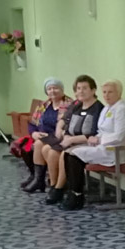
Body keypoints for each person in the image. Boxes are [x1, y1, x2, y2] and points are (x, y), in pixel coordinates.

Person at [58, 79, 125, 211]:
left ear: (119, 93)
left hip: (115, 150)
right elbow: (101, 130)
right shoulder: (107, 108)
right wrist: (96, 138)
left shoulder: (122, 109)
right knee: (69, 153)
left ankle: (77, 195)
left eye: (110, 92)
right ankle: (73, 192)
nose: (106, 95)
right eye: (104, 92)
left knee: (74, 155)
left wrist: (99, 140)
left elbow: (119, 136)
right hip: (102, 146)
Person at [30, 75, 104, 203]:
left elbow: (93, 134)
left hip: (83, 142)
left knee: (56, 153)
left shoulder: (98, 108)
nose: (81, 91)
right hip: (69, 138)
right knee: (46, 149)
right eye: (78, 88)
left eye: (85, 88)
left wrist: (71, 139)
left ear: (93, 90)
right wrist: (60, 129)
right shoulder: (77, 105)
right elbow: (64, 119)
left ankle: (59, 188)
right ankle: (54, 185)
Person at [17, 77, 72, 192]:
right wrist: (34, 133)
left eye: (55, 88)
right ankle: (38, 178)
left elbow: (70, 125)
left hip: (60, 137)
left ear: (62, 89)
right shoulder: (44, 105)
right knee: (26, 145)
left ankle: (46, 181)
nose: (52, 91)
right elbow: (32, 123)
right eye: (49, 89)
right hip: (45, 137)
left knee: (38, 144)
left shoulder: (69, 104)